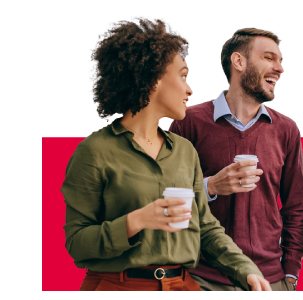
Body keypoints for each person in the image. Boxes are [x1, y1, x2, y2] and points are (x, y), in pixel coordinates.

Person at [64, 15, 272, 291]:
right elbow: (77, 243)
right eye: (183, 76)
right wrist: (135, 221)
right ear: (152, 77)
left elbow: (206, 228)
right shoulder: (94, 152)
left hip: (183, 285)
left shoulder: (184, 151)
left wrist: (245, 270)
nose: (190, 88)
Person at [168, 27, 303, 291]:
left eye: (280, 60)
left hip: (270, 279)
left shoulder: (287, 129)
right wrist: (210, 187)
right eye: (269, 58)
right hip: (202, 276)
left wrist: (290, 272)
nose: (280, 68)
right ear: (239, 61)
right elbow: (166, 196)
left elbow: (295, 208)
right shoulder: (188, 123)